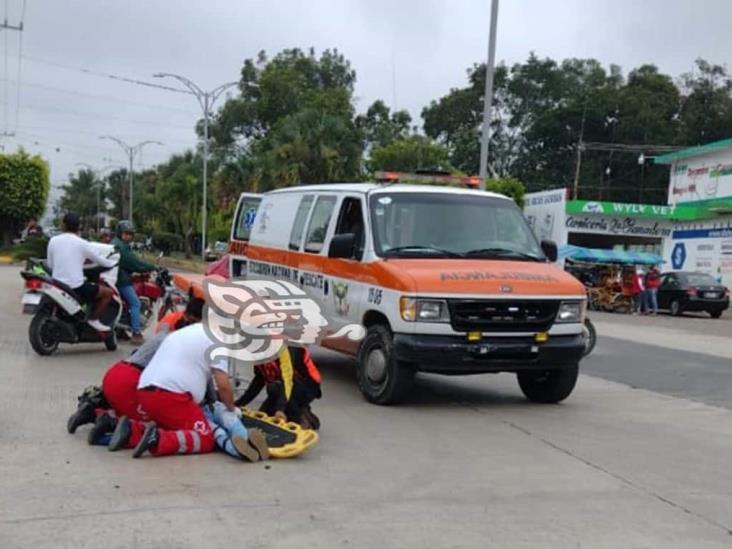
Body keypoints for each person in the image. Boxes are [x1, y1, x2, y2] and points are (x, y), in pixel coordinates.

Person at [108, 323, 269, 460]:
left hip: (147, 392)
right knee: (205, 437)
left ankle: (130, 430)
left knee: (180, 427)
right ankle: (157, 439)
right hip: (171, 396)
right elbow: (224, 386)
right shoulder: (219, 343)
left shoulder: (192, 331)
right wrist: (231, 409)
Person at [67, 297, 207, 438]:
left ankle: (92, 412)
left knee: (131, 410)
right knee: (158, 420)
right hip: (129, 381)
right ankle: (107, 421)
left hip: (117, 372)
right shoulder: (180, 342)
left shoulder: (167, 327)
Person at [46, 212, 117, 331]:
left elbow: (50, 264)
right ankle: (94, 320)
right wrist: (114, 263)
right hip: (76, 287)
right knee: (108, 293)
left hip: (57, 284)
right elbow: (101, 260)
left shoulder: (53, 240)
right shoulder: (82, 243)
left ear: (63, 225)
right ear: (79, 227)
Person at [236, 346, 322, 430]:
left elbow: (287, 381)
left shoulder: (285, 348)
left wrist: (280, 409)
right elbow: (259, 380)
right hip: (285, 385)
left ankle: (302, 418)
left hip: (308, 385)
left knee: (274, 390)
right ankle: (299, 409)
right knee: (264, 415)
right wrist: (239, 403)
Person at [113, 220, 156, 345]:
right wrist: (151, 266)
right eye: (126, 233)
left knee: (128, 303)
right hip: (121, 281)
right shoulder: (122, 247)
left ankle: (121, 331)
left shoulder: (117, 244)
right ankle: (136, 333)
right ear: (120, 233)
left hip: (116, 278)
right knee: (136, 303)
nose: (129, 236)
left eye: (131, 234)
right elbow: (135, 264)